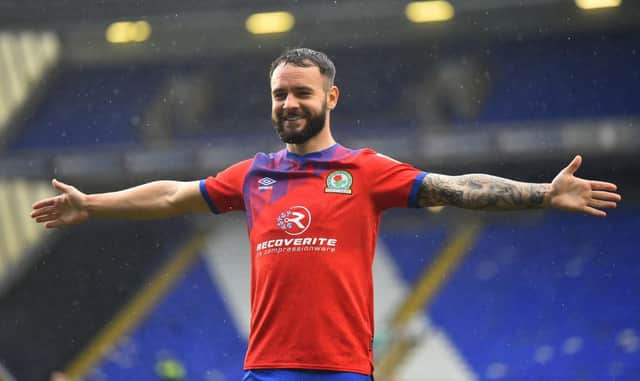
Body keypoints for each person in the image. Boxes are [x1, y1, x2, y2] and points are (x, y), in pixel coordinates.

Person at [31, 48, 621, 381]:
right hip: (266, 370)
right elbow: (171, 195)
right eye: (280, 94)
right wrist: (93, 203)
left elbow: (456, 186)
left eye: (302, 93)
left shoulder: (365, 171)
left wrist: (542, 192)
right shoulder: (254, 174)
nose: (289, 104)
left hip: (341, 371)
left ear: (330, 98)